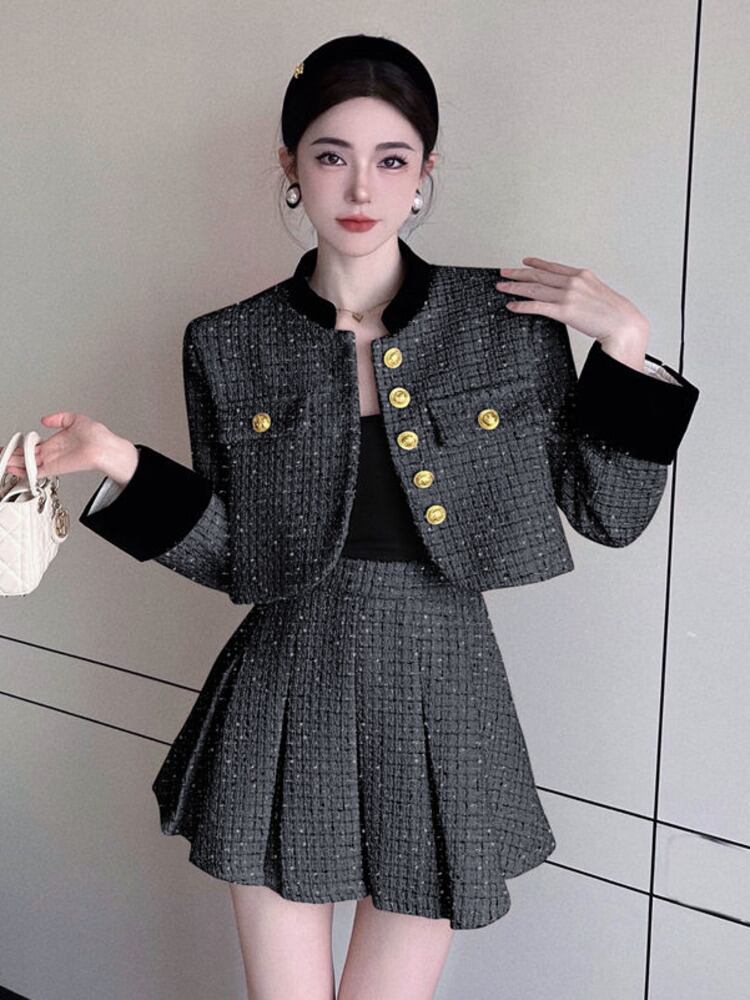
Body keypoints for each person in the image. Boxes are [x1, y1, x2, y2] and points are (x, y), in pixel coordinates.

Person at [4, 33, 700, 1000]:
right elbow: (236, 557)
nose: (361, 187)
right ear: (290, 167)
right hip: (284, 683)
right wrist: (121, 463)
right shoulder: (228, 342)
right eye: (331, 155)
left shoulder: (507, 324)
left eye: (392, 159)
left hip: (446, 691)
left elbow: (610, 515)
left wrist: (626, 345)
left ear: (424, 175)